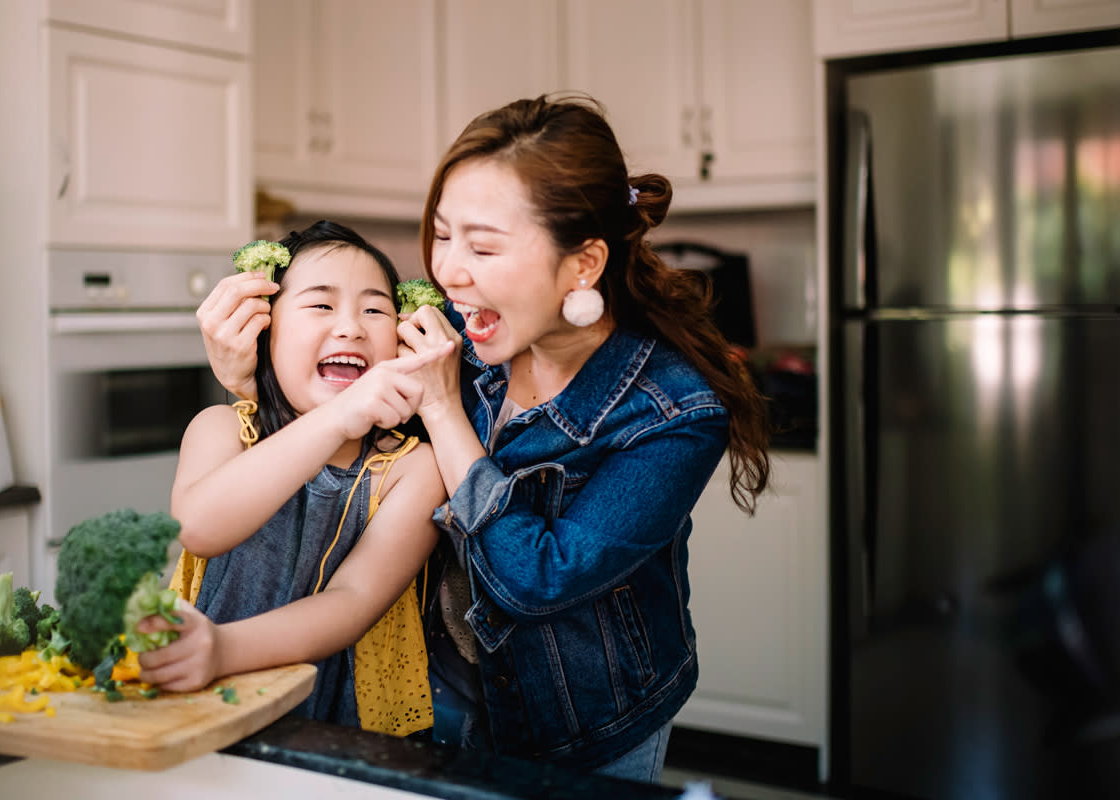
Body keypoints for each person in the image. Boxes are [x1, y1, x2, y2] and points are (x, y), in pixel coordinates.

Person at [196, 95, 771, 782]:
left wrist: (443, 412)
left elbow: (535, 580)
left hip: (585, 724)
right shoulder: (459, 331)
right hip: (442, 695)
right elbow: (340, 423)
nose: (448, 273)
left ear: (582, 264)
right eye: (442, 235)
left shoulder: (673, 413)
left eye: (484, 246)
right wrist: (249, 379)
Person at [136, 220, 451, 736]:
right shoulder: (221, 430)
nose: (351, 326)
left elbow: (352, 602)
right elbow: (198, 527)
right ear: (265, 330)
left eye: (375, 309)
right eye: (321, 305)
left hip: (344, 727)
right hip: (202, 707)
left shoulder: (414, 468)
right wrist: (336, 419)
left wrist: (223, 650)